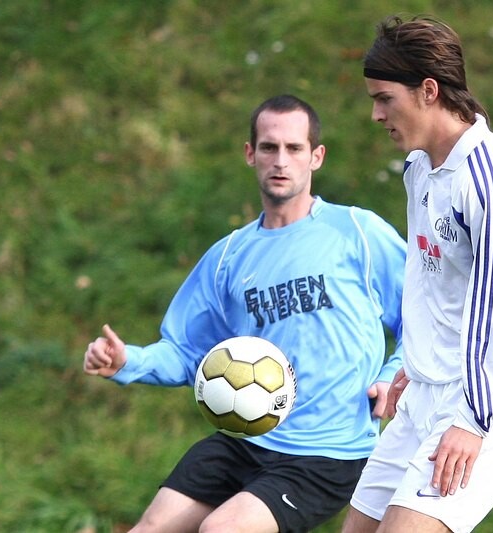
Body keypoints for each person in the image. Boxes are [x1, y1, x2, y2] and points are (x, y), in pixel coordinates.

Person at [83, 94, 406, 533]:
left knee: (221, 529)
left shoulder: (358, 233)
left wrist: (391, 374)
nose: (281, 161)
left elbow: (422, 319)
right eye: (269, 147)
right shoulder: (227, 257)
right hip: (246, 437)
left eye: (294, 148)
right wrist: (128, 361)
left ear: (316, 156)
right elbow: (188, 352)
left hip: (327, 452)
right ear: (251, 154)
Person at [342, 16, 493, 533]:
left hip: (491, 398)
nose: (376, 115)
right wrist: (418, 360)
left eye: (384, 99)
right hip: (428, 387)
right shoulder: (420, 167)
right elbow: (432, 277)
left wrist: (473, 419)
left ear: (428, 91)